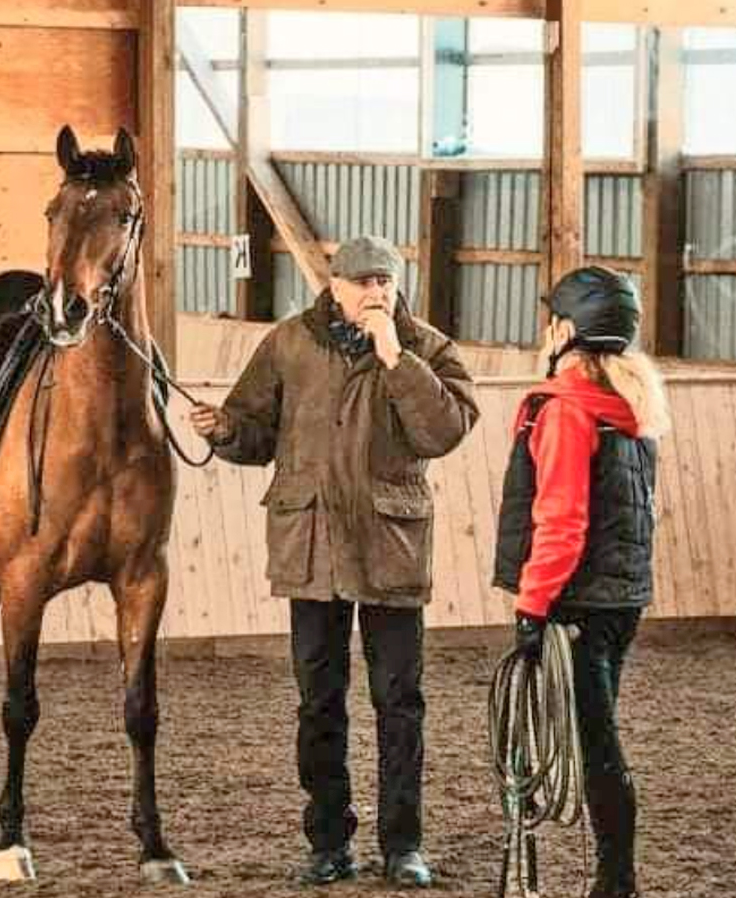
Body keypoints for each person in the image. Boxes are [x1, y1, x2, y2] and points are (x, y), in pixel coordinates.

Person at [190, 235, 479, 887]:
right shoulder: (288, 343)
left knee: (399, 702)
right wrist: (226, 431)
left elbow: (442, 432)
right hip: (312, 546)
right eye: (363, 282)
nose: (376, 292)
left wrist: (395, 357)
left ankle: (403, 845)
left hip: (391, 550)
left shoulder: (428, 349)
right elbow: (255, 429)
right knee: (318, 703)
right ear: (335, 287)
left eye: (386, 282)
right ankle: (327, 843)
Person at [493, 266, 670, 898]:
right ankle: (615, 877)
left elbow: (562, 519)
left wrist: (532, 604)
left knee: (596, 745)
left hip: (577, 602)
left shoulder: (566, 409)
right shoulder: (631, 407)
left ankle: (616, 880)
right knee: (597, 734)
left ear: (567, 331)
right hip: (622, 597)